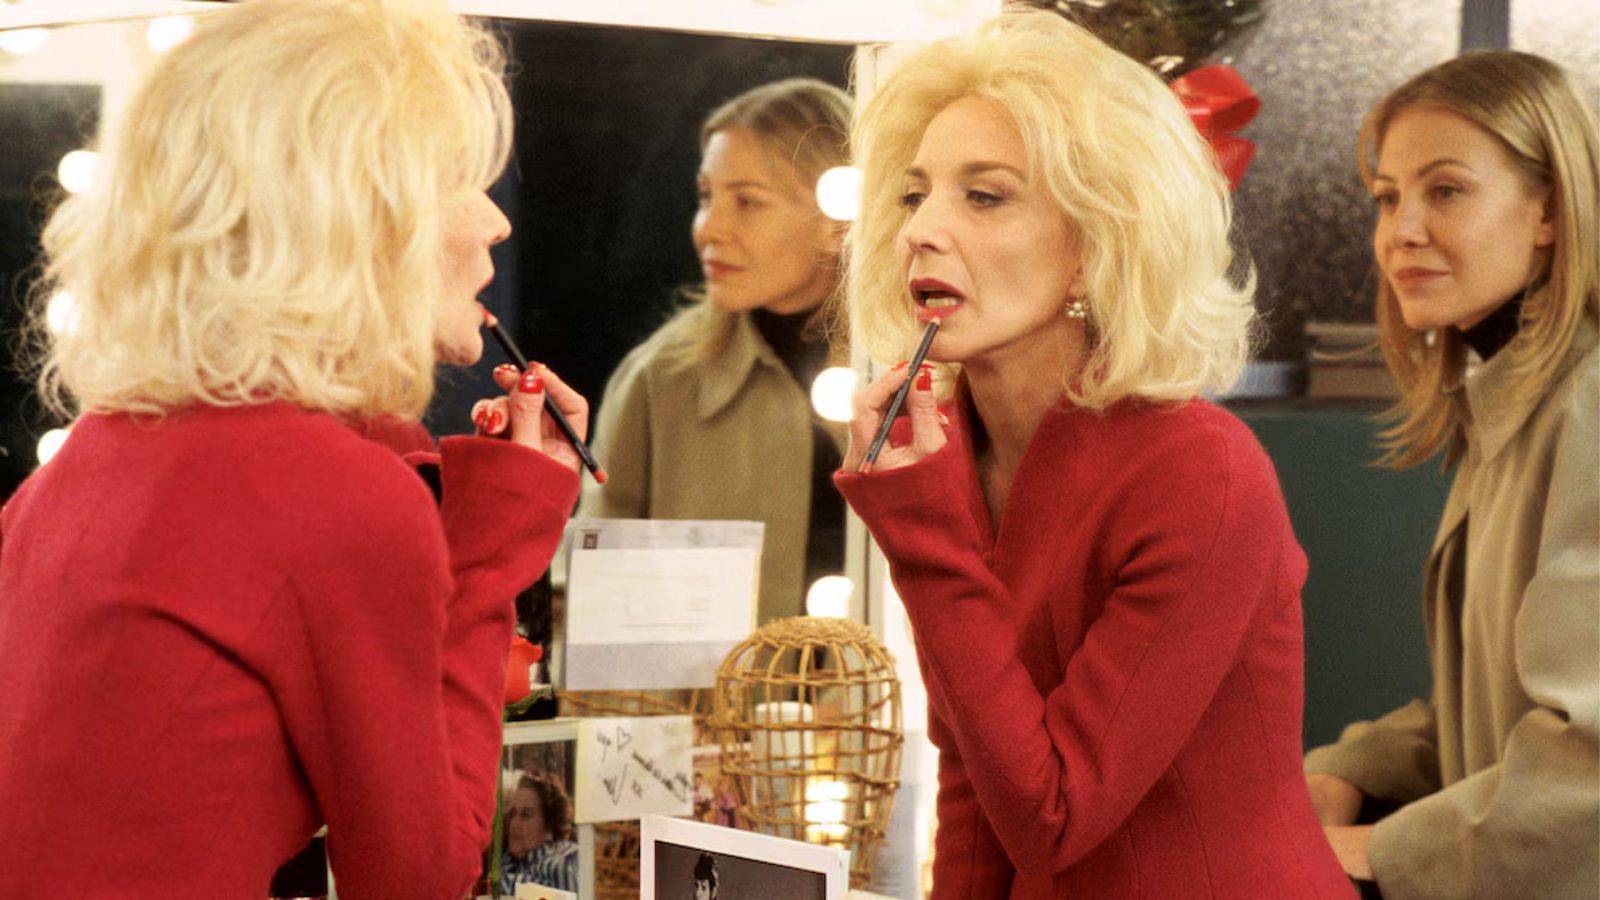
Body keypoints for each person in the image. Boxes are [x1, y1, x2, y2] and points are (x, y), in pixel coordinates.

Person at [0, 1, 591, 897]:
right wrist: (490, 550)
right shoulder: (337, 497)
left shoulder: (80, 465)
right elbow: (420, 878)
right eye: (458, 180)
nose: (492, 223)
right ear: (363, 212)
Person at [833, 11, 1354, 898]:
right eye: (914, 194)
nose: (921, 229)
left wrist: (925, 542)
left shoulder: (1198, 471)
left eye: (984, 195)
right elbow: (973, 783)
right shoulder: (953, 446)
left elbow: (1053, 816)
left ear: (1093, 247)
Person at [1302, 50, 1599, 899]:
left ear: (1548, 211)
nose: (1401, 231)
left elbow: (1589, 760)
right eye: (1388, 197)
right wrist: (1353, 769)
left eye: (1446, 191)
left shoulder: (1589, 408)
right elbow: (1499, 714)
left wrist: (1380, 849)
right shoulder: (1517, 400)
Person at [579, 78, 851, 626]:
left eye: (747, 201)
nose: (709, 228)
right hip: (711, 714)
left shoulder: (919, 376)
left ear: (836, 214)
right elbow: (599, 621)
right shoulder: (660, 379)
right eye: (706, 197)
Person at [500, 771, 581, 894]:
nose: (514, 824)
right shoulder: (505, 861)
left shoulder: (564, 860)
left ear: (549, 822)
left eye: (526, 815)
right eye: (512, 814)